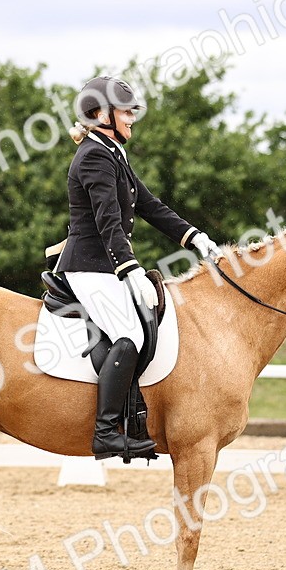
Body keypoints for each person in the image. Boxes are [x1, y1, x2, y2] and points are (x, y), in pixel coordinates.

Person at [55, 75, 220, 459]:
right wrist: (128, 269)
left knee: (143, 325)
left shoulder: (112, 152)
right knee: (130, 333)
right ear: (100, 114)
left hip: (102, 266)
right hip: (88, 266)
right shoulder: (94, 155)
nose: (131, 117)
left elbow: (149, 205)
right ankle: (106, 432)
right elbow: (107, 221)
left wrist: (193, 236)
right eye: (125, 110)